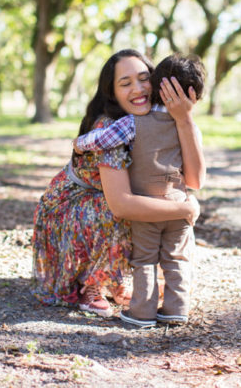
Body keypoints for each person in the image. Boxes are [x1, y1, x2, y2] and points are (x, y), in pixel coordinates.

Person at [31, 49, 203, 318]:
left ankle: (119, 279)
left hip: (115, 201)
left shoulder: (162, 119)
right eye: (125, 83)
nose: (138, 89)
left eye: (144, 79)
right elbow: (122, 204)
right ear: (111, 93)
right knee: (126, 207)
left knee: (164, 196)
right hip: (74, 207)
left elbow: (194, 180)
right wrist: (185, 210)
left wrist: (185, 118)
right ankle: (90, 284)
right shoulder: (111, 128)